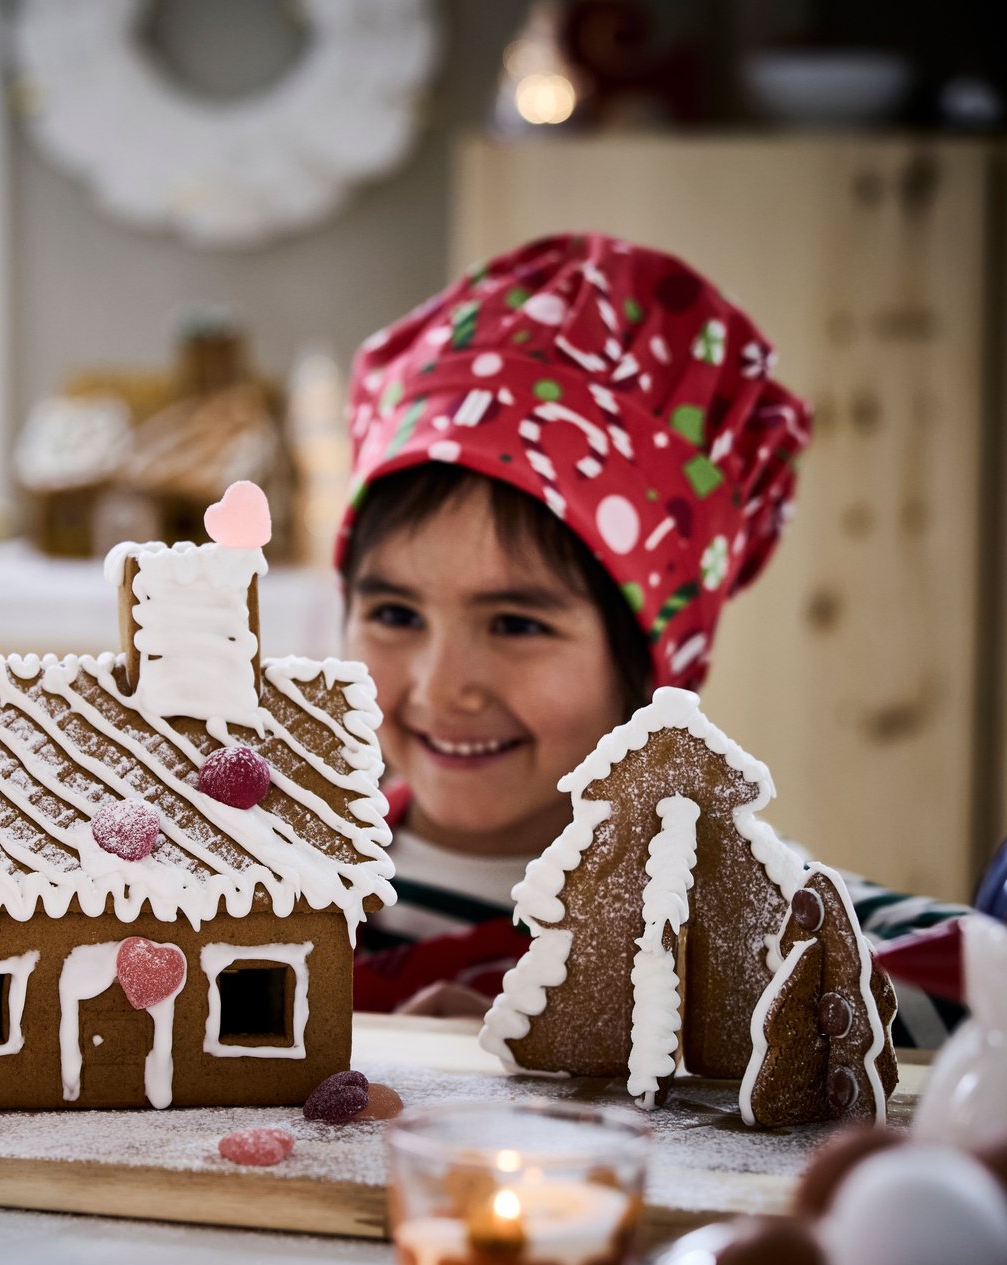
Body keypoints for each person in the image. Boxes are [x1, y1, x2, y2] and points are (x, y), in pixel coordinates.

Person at [336, 232, 967, 1047]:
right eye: (395, 614)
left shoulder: (762, 930)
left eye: (518, 624)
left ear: (654, 667)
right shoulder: (273, 882)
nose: (441, 686)